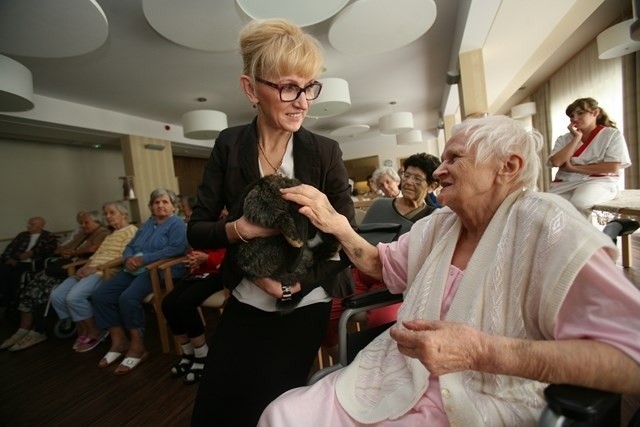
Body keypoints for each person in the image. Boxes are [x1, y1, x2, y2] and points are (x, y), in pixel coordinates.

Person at [260, 115, 640, 426]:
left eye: (454, 158)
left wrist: (482, 352)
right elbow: (381, 264)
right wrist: (337, 224)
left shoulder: (548, 227)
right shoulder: (438, 225)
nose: (438, 170)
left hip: (481, 397)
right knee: (281, 415)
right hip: (395, 374)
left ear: (507, 167)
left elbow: (631, 360)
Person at [187, 18, 356, 426]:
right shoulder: (229, 145)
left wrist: (297, 285)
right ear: (250, 89)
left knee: (272, 408)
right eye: (288, 87)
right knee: (214, 407)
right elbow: (197, 229)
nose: (303, 101)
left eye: (310, 87)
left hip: (306, 302)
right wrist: (241, 229)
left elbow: (347, 240)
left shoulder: (325, 151)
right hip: (244, 298)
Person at [322, 153, 442, 359]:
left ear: (432, 186)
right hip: (360, 271)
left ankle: (374, 363)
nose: (409, 182)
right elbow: (359, 238)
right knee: (322, 312)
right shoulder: (380, 205)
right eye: (406, 175)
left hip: (393, 281)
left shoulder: (433, 218)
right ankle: (345, 359)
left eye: (418, 178)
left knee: (383, 319)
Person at [92, 189, 188, 374]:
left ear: (173, 206)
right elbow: (130, 246)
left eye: (165, 202)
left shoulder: (177, 224)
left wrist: (145, 259)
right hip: (134, 268)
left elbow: (177, 248)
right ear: (151, 206)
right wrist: (128, 258)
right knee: (100, 295)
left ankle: (138, 347)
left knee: (127, 298)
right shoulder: (147, 224)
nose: (160, 205)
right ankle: (119, 341)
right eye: (156, 202)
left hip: (159, 270)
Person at [0, 211, 109, 351]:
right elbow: (59, 248)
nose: (82, 225)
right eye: (82, 222)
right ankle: (23, 329)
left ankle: (39, 330)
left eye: (86, 222)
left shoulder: (103, 234)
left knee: (47, 291)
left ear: (97, 223)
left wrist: (74, 252)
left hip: (76, 268)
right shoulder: (82, 233)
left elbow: (94, 249)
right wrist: (70, 251)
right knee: (32, 286)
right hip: (62, 266)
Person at [49, 201, 138, 353]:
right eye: (106, 214)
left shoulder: (131, 231)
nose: (107, 217)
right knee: (57, 295)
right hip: (91, 269)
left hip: (106, 272)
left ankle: (95, 330)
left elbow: (125, 257)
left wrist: (95, 268)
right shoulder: (110, 235)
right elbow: (96, 255)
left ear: (123, 214)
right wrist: (84, 267)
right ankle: (85, 328)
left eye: (112, 213)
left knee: (73, 298)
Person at [548, 97, 631, 218]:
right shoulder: (564, 139)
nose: (574, 119)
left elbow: (613, 167)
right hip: (566, 182)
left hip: (597, 181)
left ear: (595, 113)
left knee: (579, 203)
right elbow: (556, 162)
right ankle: (568, 236)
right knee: (549, 208)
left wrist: (574, 168)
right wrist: (576, 139)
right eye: (571, 116)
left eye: (580, 113)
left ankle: (611, 192)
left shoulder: (611, 134)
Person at [161, 247, 226, 385]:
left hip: (218, 273)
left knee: (185, 303)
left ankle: (202, 354)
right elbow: (194, 249)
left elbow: (232, 255)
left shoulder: (228, 226)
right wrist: (193, 258)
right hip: (198, 273)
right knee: (167, 303)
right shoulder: (200, 227)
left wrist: (208, 258)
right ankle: (188, 352)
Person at [0, 217, 58, 314]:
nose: (29, 226)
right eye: (29, 223)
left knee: (15, 276)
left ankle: (13, 302)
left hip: (32, 264)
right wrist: (9, 258)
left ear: (41, 226)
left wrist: (32, 253)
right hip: (16, 260)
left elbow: (49, 250)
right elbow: (10, 248)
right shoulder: (23, 235)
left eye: (32, 224)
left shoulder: (48, 236)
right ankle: (5, 299)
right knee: (2, 270)